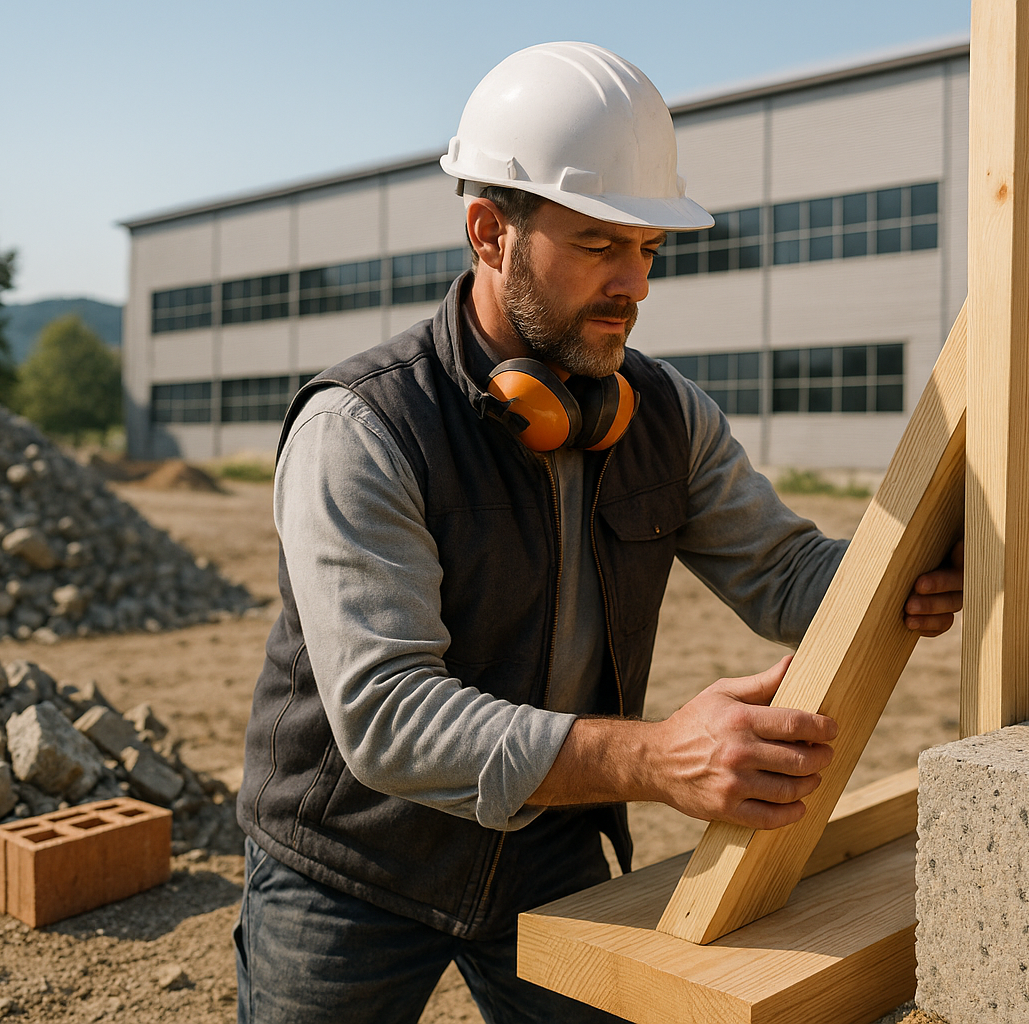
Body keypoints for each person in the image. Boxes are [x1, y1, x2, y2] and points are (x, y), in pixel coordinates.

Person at [233, 41, 963, 1024]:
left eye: (648, 248)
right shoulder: (363, 428)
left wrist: (913, 563)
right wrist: (658, 759)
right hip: (351, 866)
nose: (636, 284)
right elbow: (389, 716)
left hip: (547, 847)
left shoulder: (665, 416)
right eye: (597, 244)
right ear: (489, 232)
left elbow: (788, 573)